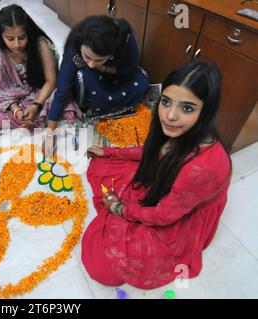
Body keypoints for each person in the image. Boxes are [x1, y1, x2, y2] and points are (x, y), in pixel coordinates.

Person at [81, 61, 232, 289]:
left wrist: (120, 209)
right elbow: (156, 151)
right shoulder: (181, 129)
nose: (170, 116)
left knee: (102, 267)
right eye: (166, 102)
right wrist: (111, 151)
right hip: (170, 182)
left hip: (178, 212)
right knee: (103, 162)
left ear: (206, 112)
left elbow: (164, 215)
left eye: (187, 108)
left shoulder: (203, 167)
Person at [0, 4, 75, 129]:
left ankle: (36, 119)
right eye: (10, 39)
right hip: (13, 99)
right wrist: (16, 110)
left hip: (42, 95)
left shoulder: (40, 44)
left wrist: (35, 106)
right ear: (1, 35)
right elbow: (0, 91)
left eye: (21, 37)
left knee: (62, 99)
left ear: (28, 33)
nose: (16, 44)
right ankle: (35, 120)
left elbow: (51, 81)